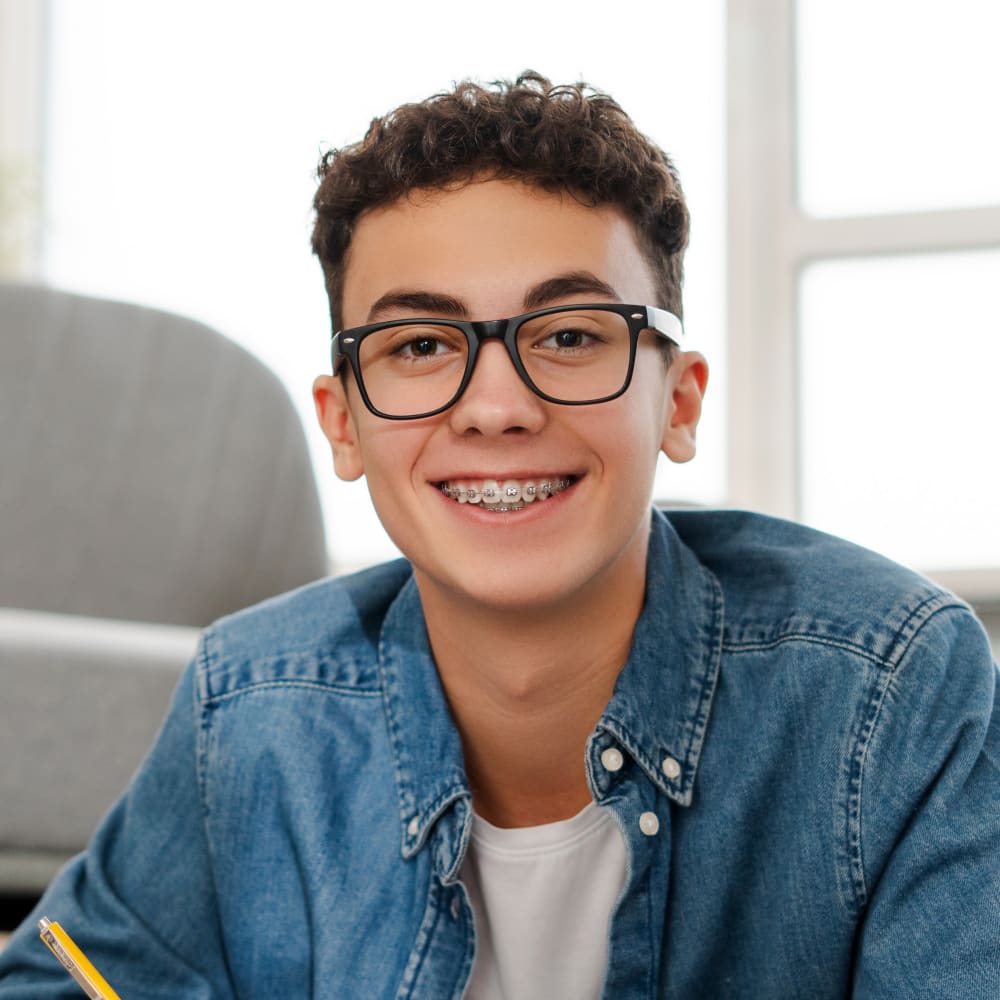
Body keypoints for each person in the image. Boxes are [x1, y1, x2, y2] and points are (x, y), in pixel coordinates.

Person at [0, 72, 997, 999]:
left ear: (679, 403)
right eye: (422, 345)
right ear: (344, 423)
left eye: (568, 336)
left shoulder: (893, 692)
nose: (495, 407)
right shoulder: (248, 708)